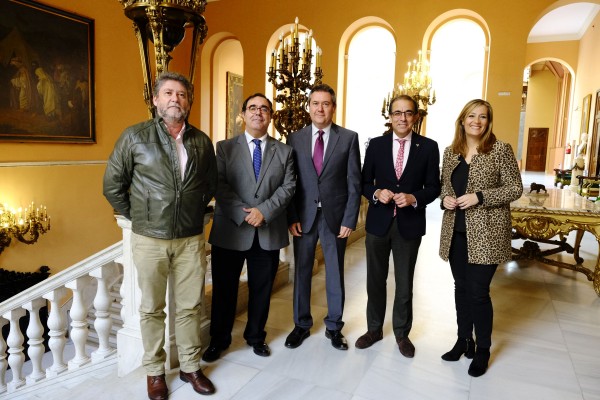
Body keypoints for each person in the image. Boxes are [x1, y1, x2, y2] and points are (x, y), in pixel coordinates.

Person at [103, 71, 217, 399]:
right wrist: (141, 215)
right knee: (152, 307)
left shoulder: (201, 141)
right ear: (155, 100)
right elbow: (112, 185)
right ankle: (155, 372)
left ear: (189, 101)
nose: (174, 99)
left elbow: (209, 185)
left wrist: (196, 215)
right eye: (168, 93)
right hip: (149, 239)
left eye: (181, 95)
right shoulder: (134, 137)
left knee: (190, 306)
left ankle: (191, 366)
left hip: (190, 239)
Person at [203, 93, 296, 362]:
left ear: (271, 116)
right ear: (243, 114)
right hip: (231, 229)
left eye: (264, 109)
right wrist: (243, 213)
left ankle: (256, 337)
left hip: (266, 231)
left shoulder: (285, 151)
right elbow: (218, 184)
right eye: (252, 108)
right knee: (224, 290)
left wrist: (263, 211)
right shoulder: (224, 148)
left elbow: (288, 186)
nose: (258, 112)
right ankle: (218, 340)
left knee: (261, 290)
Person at [439, 99, 522, 377]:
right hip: (455, 233)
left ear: (489, 122)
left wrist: (481, 197)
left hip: (487, 235)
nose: (477, 121)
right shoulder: (451, 152)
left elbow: (515, 188)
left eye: (483, 116)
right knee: (460, 288)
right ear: (462, 120)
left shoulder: (500, 149)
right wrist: (446, 199)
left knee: (478, 292)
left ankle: (483, 349)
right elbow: (443, 187)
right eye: (471, 116)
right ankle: (465, 341)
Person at [357, 94, 440, 358]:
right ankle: (374, 330)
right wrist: (375, 193)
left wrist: (415, 197)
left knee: (404, 283)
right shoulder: (376, 145)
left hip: (409, 224)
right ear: (390, 116)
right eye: (397, 113)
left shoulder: (428, 147)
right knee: (374, 280)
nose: (402, 118)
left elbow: (434, 187)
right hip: (378, 223)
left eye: (407, 113)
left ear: (416, 117)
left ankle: (402, 334)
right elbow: (363, 182)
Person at [285, 84, 361, 351]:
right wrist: (291, 216)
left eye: (326, 103)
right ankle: (301, 325)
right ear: (309, 107)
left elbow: (354, 182)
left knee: (334, 272)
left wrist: (350, 219)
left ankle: (334, 327)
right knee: (302, 271)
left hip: (335, 217)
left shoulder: (349, 138)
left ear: (333, 107)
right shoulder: (295, 139)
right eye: (315, 103)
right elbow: (290, 182)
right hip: (303, 217)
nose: (320, 108)